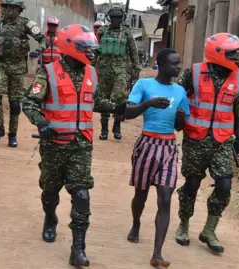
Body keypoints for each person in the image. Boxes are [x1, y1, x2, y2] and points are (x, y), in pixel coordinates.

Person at [21, 24, 126, 267]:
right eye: (85, 48)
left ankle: (78, 247)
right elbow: (29, 102)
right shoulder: (46, 73)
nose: (90, 52)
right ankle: (50, 218)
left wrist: (117, 107)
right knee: (50, 190)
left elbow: (96, 101)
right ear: (70, 47)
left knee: (81, 193)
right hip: (54, 144)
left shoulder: (92, 73)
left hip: (82, 145)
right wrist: (41, 121)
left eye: (91, 48)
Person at [175, 33, 239, 253]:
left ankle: (209, 230)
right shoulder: (194, 73)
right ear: (218, 53)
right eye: (232, 53)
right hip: (196, 139)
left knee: (224, 186)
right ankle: (184, 224)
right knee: (192, 184)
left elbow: (238, 111)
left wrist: (238, 140)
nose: (236, 57)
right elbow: (177, 96)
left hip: (223, 140)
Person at [124, 48, 189, 268]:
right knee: (140, 195)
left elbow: (180, 127)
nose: (178, 67)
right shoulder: (143, 85)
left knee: (165, 199)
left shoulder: (180, 91)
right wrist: (148, 104)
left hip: (169, 146)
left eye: (179, 63)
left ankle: (157, 253)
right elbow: (128, 112)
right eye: (174, 63)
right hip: (147, 144)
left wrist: (180, 119)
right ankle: (136, 223)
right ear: (161, 65)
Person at [0, 0, 47, 147]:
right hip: (0, 64)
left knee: (15, 102)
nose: (8, 11)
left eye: (12, 8)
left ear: (19, 10)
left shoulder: (26, 23)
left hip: (17, 67)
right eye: (6, 7)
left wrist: (40, 49)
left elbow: (43, 39)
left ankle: (13, 134)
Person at [94, 7, 141, 141]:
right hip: (104, 69)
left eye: (118, 18)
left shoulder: (126, 33)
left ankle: (117, 125)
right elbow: (96, 49)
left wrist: (136, 69)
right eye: (113, 17)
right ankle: (104, 128)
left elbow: (133, 51)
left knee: (119, 98)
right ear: (109, 18)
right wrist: (90, 64)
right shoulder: (102, 31)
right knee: (103, 98)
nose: (115, 20)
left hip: (121, 70)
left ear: (122, 19)